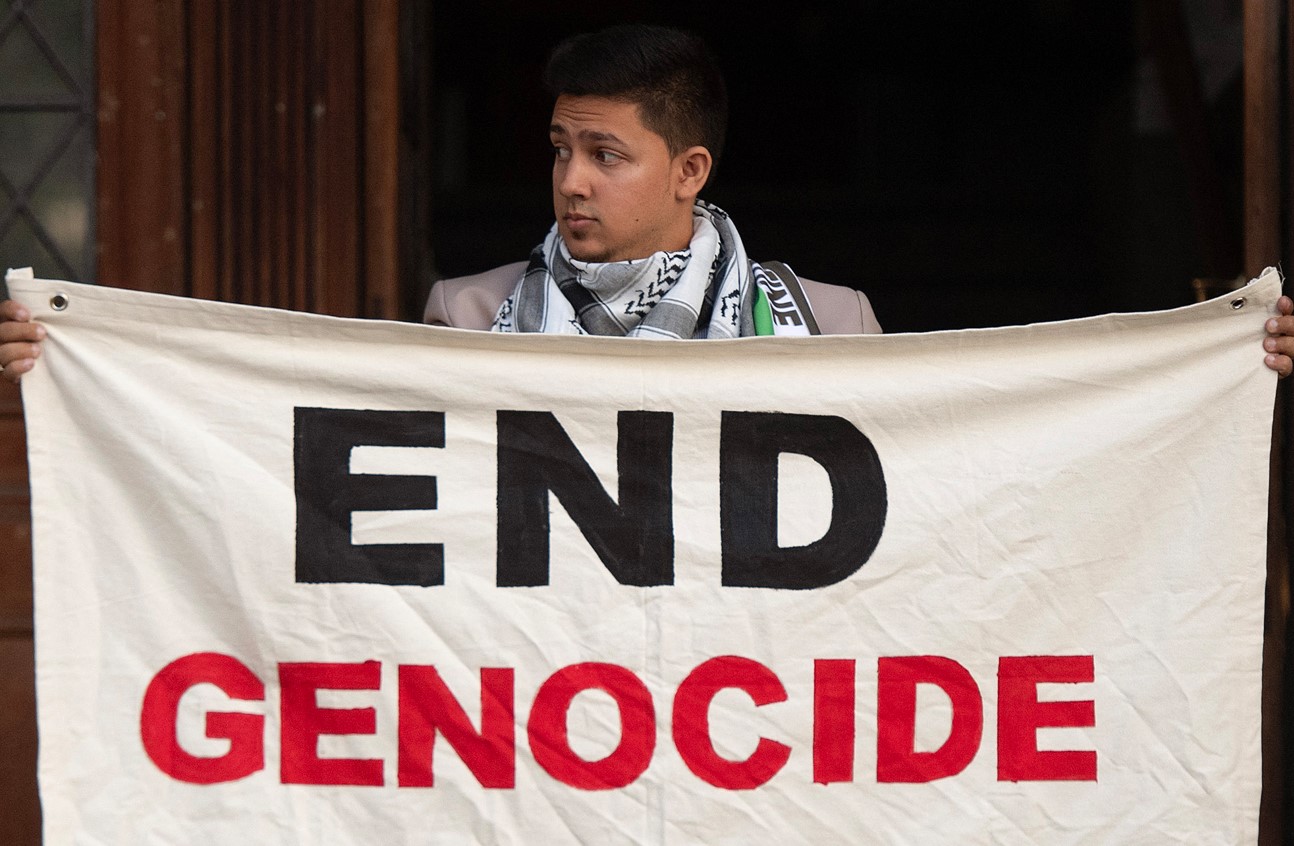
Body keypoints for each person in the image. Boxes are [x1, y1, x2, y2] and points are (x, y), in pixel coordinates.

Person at [0, 23, 1289, 376]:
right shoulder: (464, 313)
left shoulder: (833, 324)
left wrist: (1216, 367)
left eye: (606, 154)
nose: (569, 181)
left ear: (692, 172)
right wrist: (85, 364)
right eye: (560, 148)